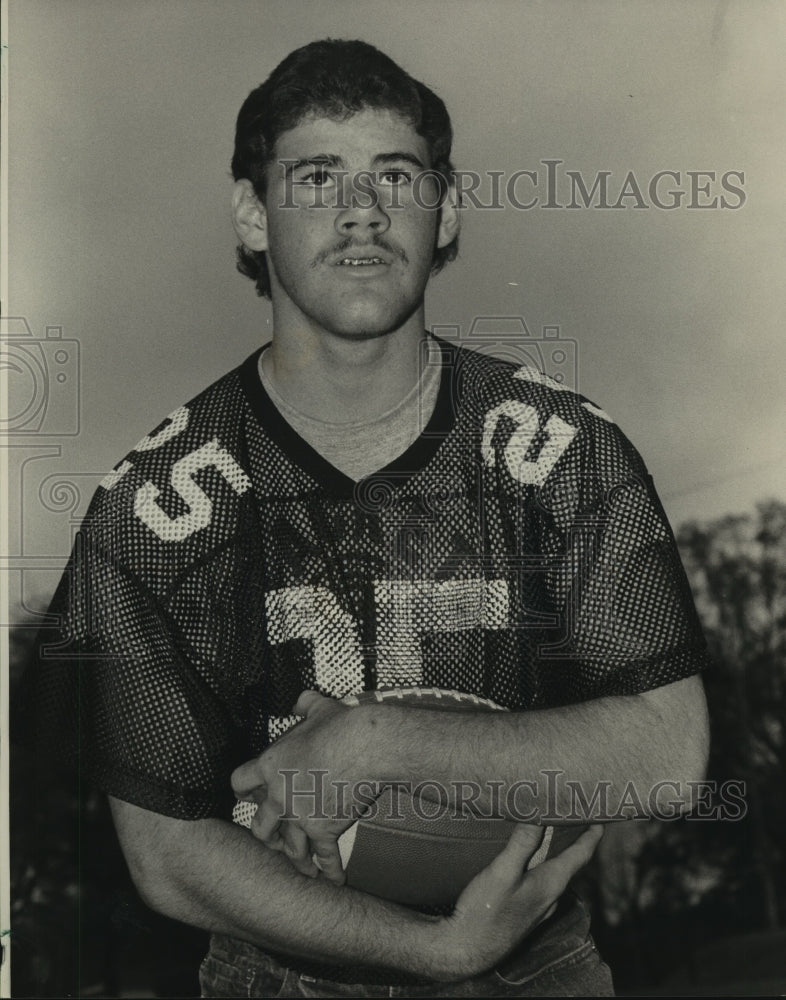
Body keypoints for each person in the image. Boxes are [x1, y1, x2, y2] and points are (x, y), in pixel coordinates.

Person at [33, 39, 710, 997]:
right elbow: (167, 853)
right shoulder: (154, 507)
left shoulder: (562, 448)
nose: (362, 211)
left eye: (397, 175)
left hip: (537, 957)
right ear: (250, 214)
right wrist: (435, 952)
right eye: (316, 178)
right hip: (278, 969)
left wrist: (381, 743)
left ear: (448, 210)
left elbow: (668, 760)